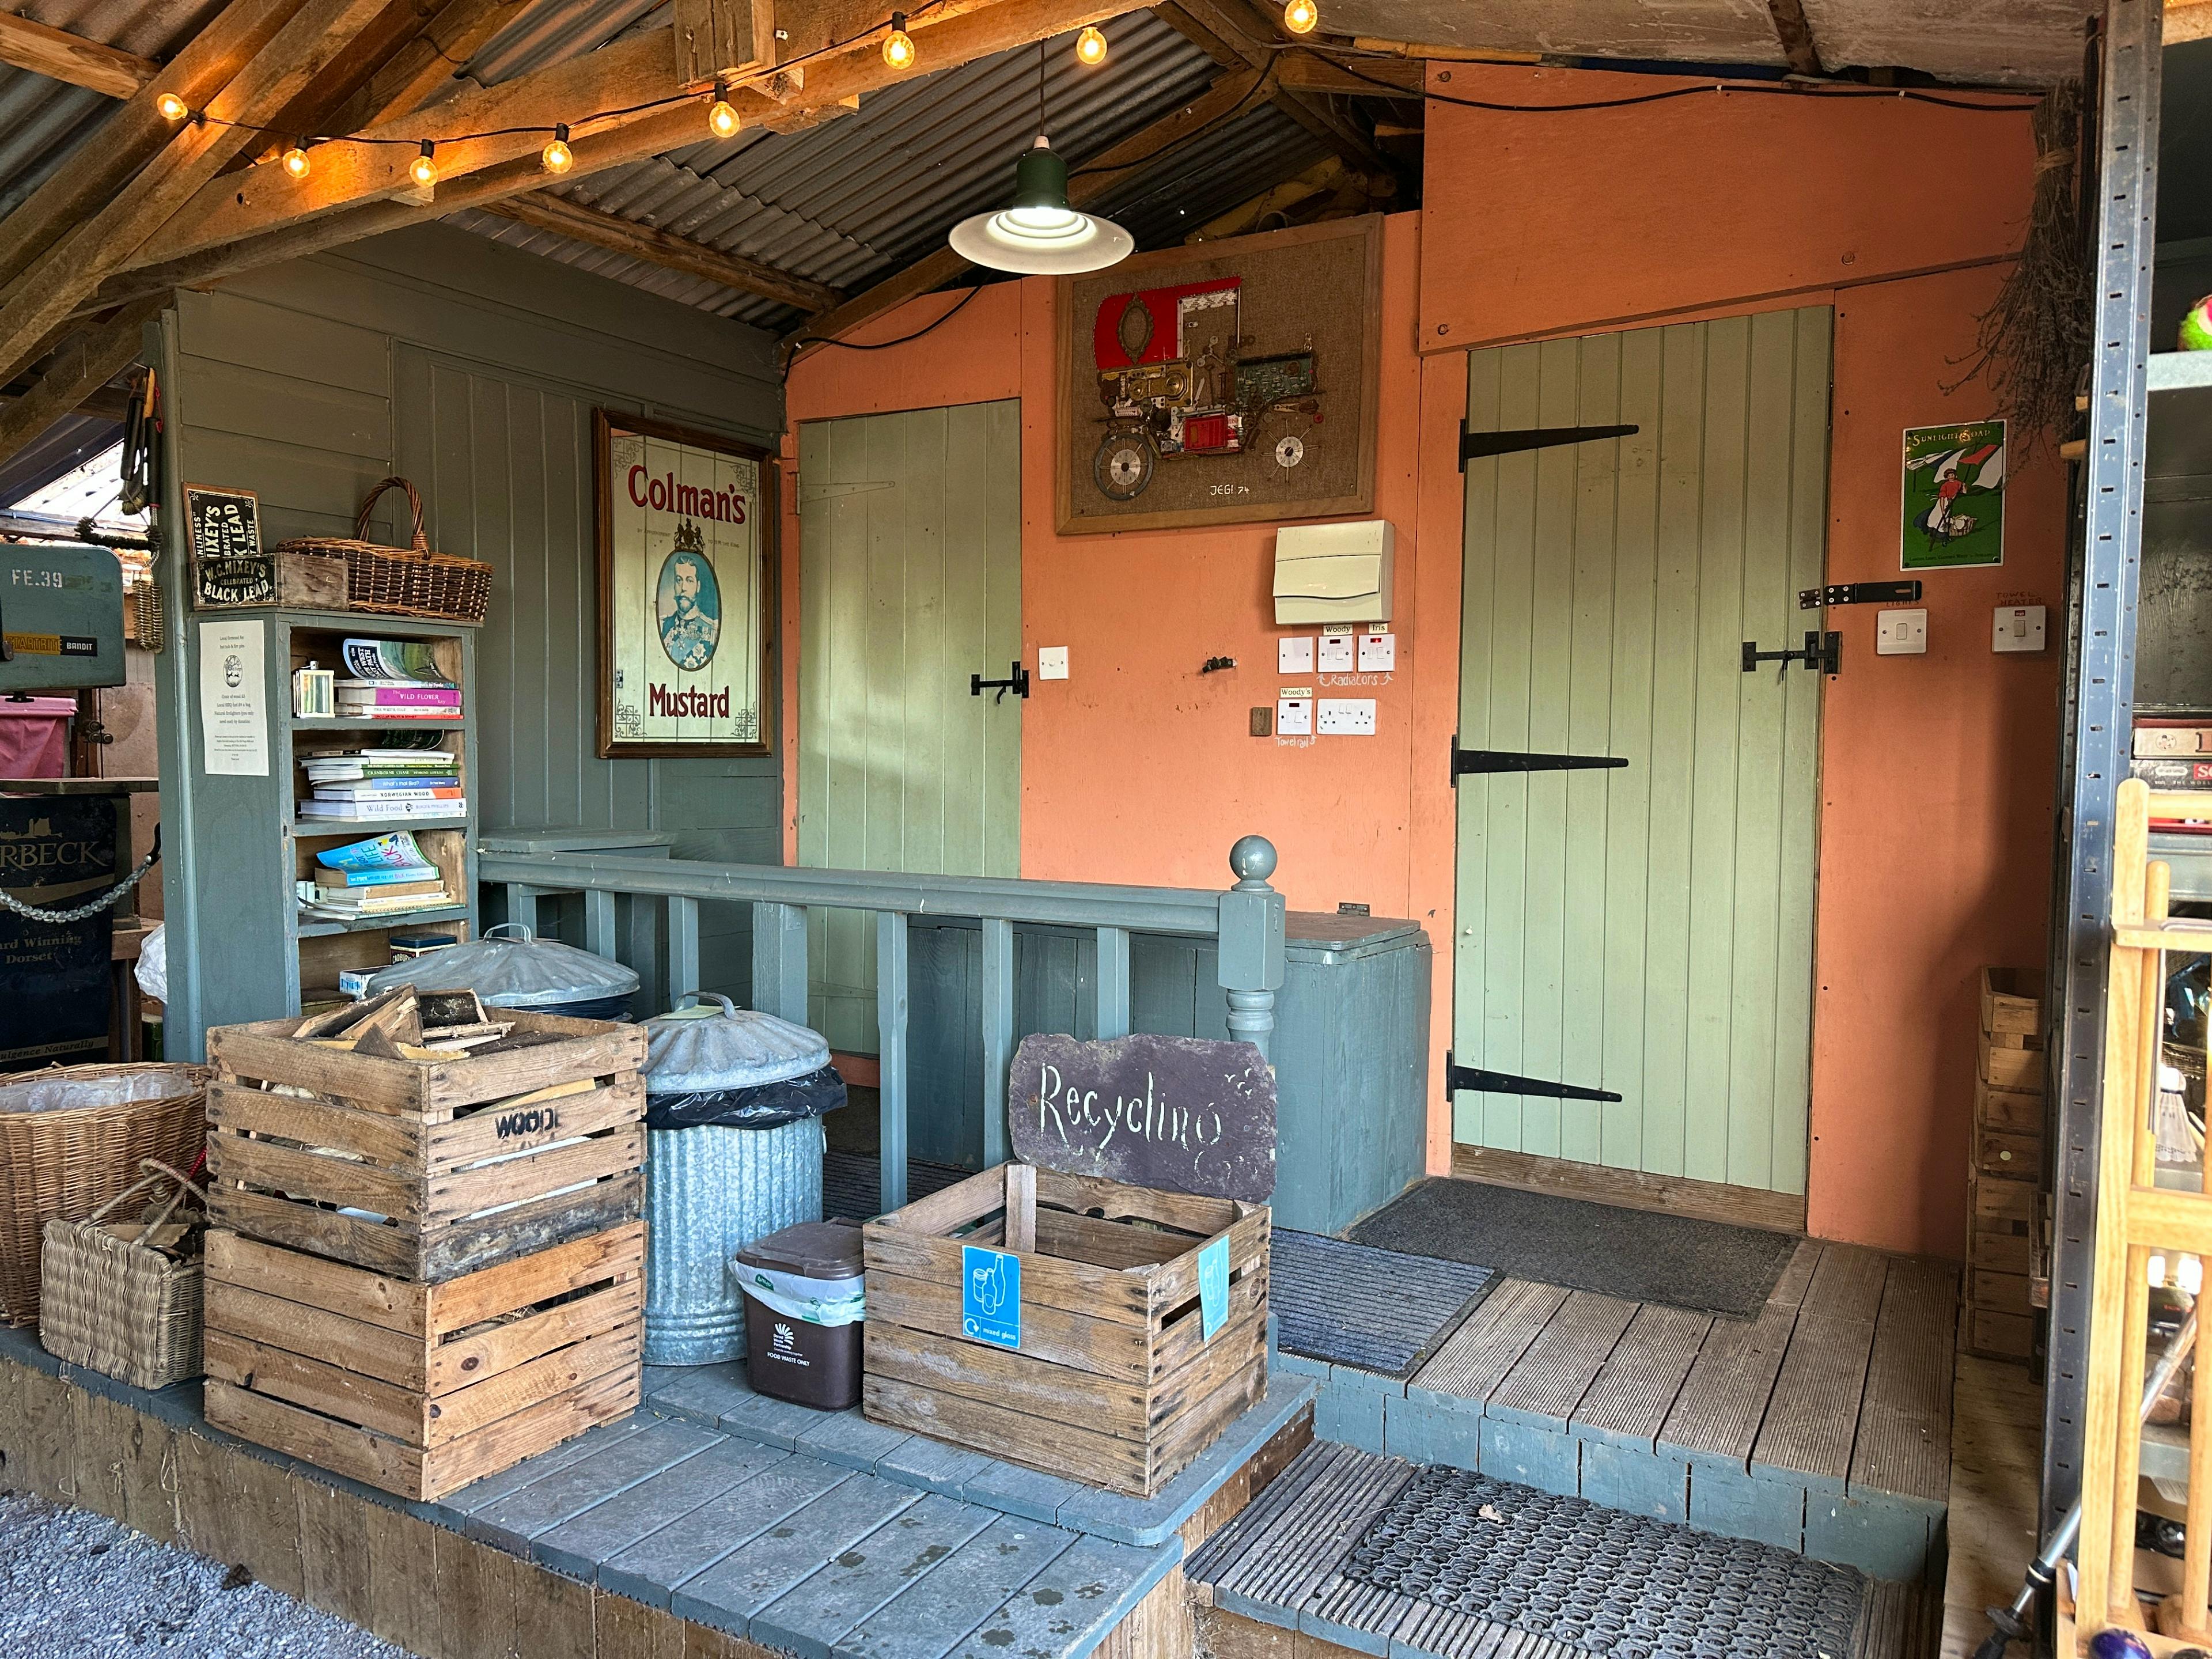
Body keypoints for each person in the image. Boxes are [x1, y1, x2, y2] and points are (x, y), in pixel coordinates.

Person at [660, 549, 719, 670]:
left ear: (698, 586)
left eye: (689, 580)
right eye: (679, 580)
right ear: (674, 585)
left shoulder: (712, 630)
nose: (683, 588)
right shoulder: (663, 626)